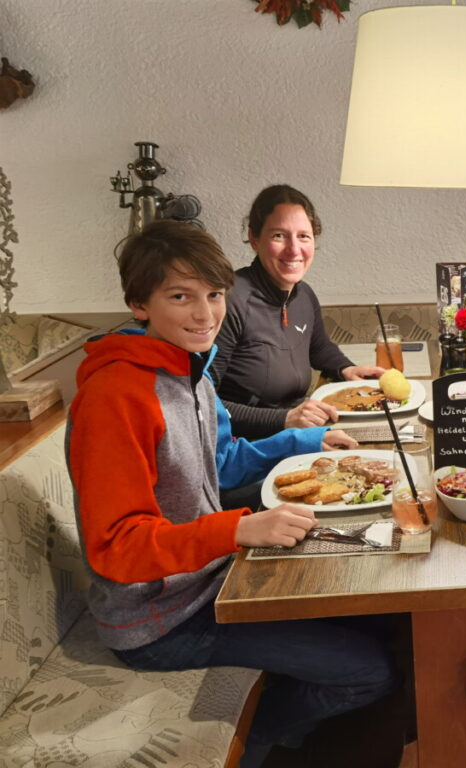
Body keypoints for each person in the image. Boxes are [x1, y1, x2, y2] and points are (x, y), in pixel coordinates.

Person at [66, 221, 399, 767]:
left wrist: (306, 440)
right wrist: (239, 528)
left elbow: (218, 466)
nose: (204, 314)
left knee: (385, 618)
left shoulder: (189, 372)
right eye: (180, 297)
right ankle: (249, 744)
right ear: (138, 304)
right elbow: (118, 546)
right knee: (369, 672)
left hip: (212, 581)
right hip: (159, 622)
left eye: (214, 295)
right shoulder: (115, 396)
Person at [211, 184, 383, 440]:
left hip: (297, 434)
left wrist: (346, 369)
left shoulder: (303, 295)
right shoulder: (229, 301)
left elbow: (318, 347)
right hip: (246, 449)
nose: (294, 249)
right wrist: (284, 419)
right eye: (279, 235)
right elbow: (203, 403)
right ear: (255, 238)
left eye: (303, 236)